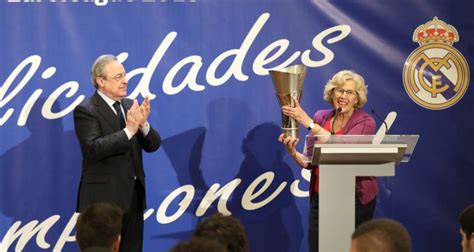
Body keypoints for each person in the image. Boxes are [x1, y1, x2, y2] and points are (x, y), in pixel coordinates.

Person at [278, 70, 377, 251]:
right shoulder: (321, 117)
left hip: (354, 199)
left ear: (357, 98)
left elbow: (344, 147)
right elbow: (309, 162)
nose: (343, 96)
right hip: (321, 196)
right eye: (339, 90)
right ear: (332, 94)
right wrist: (291, 151)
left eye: (350, 92)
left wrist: (307, 122)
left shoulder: (366, 121)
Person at [74, 55, 161, 252]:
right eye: (118, 76)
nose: (125, 81)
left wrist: (143, 125)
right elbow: (93, 149)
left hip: (133, 196)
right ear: (101, 81)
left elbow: (153, 145)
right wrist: (129, 131)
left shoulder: (129, 105)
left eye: (125, 75)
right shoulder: (86, 110)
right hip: (103, 199)